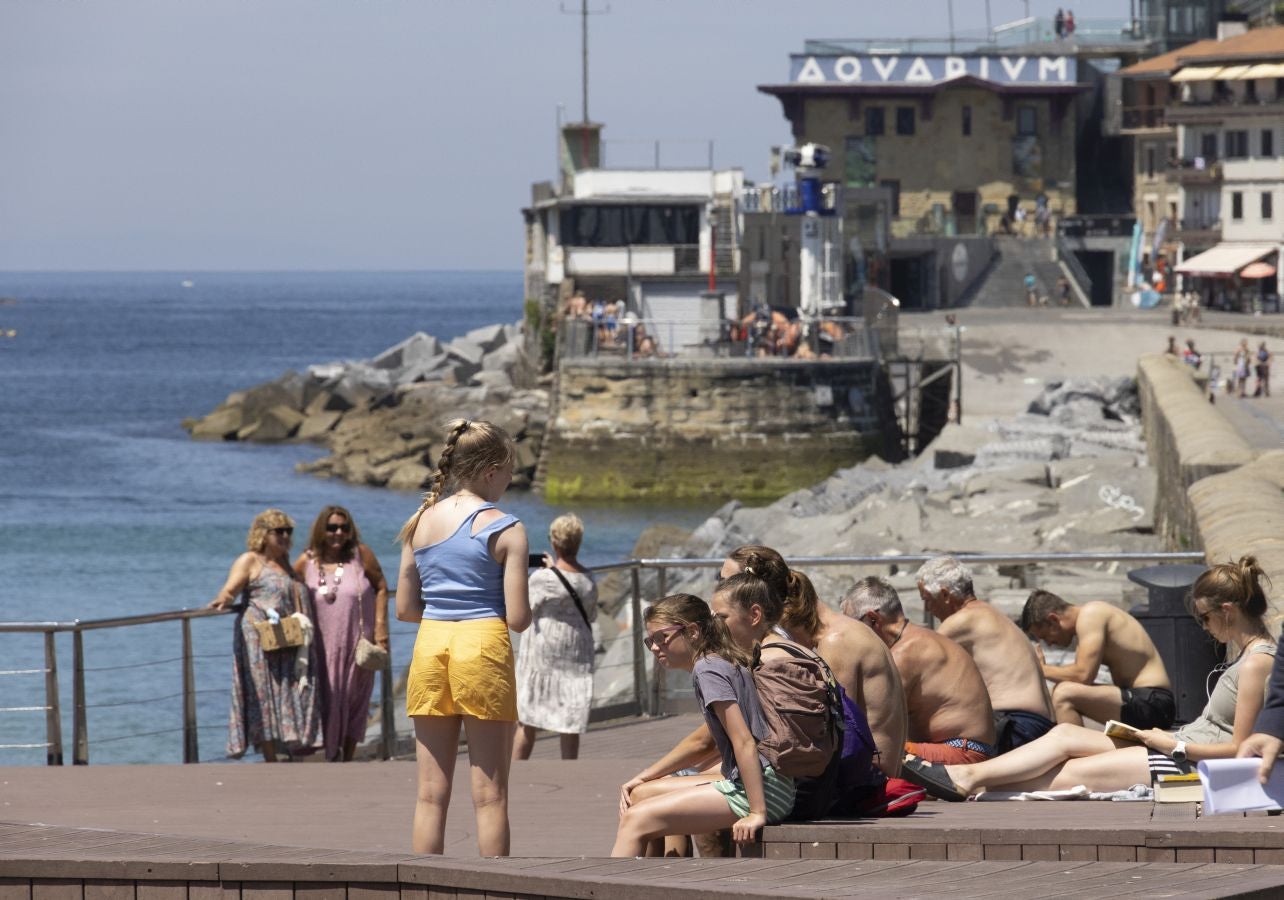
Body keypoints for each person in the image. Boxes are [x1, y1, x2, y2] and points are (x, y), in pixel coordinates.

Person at [904, 557, 1276, 800]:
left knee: (1071, 774)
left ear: (1227, 611)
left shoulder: (1258, 661)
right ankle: (963, 776)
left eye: (1206, 618)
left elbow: (1240, 748)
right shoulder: (1248, 657)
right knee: (1063, 735)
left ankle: (967, 782)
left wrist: (1171, 744)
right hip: (1175, 744)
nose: (1206, 628)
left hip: (1185, 760)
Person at [395, 419, 532, 857]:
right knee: (490, 795)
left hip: (432, 642)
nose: (510, 482)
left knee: (430, 795)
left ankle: (419, 889)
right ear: (491, 470)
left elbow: (404, 608)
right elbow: (518, 617)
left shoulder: (419, 522)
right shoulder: (506, 528)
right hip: (482, 644)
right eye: (509, 472)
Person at [612, 590, 795, 857]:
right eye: (649, 640)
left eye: (662, 638)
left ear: (693, 631)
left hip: (765, 789)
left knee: (635, 820)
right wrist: (644, 776)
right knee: (640, 795)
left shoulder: (708, 670)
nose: (654, 647)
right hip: (764, 782)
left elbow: (743, 740)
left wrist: (757, 812)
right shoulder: (717, 660)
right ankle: (650, 882)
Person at [209, 509, 322, 762]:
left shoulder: (285, 562)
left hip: (287, 637)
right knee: (263, 693)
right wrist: (222, 599)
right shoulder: (250, 560)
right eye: (278, 531)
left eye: (288, 531)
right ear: (263, 534)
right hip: (259, 637)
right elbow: (230, 589)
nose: (284, 536)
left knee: (288, 690)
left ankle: (287, 748)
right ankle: (271, 755)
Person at [845, 577, 997, 765]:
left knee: (870, 753)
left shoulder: (904, 654)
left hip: (960, 752)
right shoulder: (919, 639)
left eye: (852, 627)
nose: (850, 636)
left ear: (874, 618)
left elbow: (871, 718)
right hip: (968, 749)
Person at [916, 556, 1055, 752]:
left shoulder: (961, 621)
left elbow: (916, 663)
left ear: (946, 595)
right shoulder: (991, 615)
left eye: (927, 600)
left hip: (1015, 726)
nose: (928, 609)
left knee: (924, 752)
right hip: (1038, 724)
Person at [786, 572, 908, 780]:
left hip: (866, 784)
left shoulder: (836, 641)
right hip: (879, 775)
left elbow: (836, 731)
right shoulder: (853, 631)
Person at [293, 505, 389, 762]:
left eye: (344, 528)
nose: (338, 533)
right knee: (326, 696)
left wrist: (380, 627)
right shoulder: (307, 561)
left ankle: (345, 756)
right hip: (320, 646)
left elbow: (381, 586)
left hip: (357, 643)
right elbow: (287, 588)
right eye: (332, 527)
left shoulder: (360, 555)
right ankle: (328, 753)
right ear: (321, 530)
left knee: (355, 698)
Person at [1021, 590, 1174, 730]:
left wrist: (1041, 668)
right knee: (1055, 693)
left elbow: (1082, 675)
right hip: (1140, 700)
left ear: (1053, 619)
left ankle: (1074, 756)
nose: (1049, 643)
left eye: (1045, 636)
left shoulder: (1091, 614)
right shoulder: (1085, 623)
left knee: (1063, 693)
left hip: (1154, 703)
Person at [513, 513, 599, 761]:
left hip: (543, 652)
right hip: (577, 652)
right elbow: (592, 614)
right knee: (570, 721)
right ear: (578, 542)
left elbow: (524, 609)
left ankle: (516, 771)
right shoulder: (588, 579)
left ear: (554, 543)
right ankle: (569, 769)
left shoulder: (542, 579)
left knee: (528, 720)